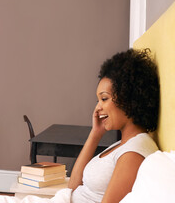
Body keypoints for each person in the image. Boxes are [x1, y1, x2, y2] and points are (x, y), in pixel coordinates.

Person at [67, 48, 160, 202]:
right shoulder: (122, 144)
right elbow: (72, 188)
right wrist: (95, 134)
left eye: (104, 99)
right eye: (98, 101)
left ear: (128, 98)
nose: (97, 108)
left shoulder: (134, 152)